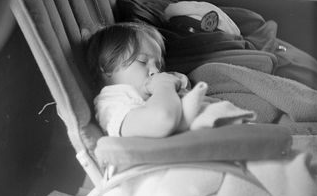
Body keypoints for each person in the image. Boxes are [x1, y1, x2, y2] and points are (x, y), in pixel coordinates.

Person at [86, 22, 256, 137]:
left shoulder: (147, 93)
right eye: (143, 61)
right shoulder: (112, 102)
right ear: (107, 67)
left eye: (158, 65)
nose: (154, 71)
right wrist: (164, 86)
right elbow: (163, 119)